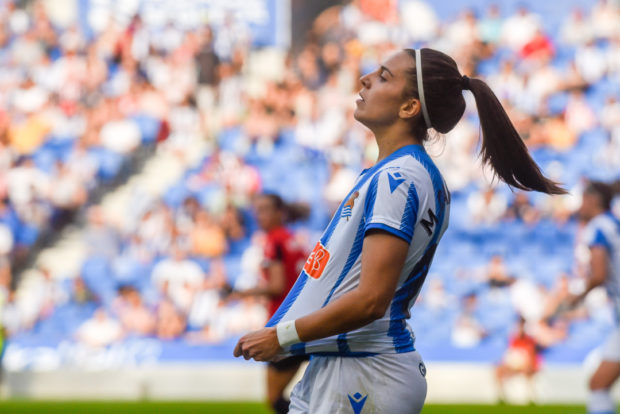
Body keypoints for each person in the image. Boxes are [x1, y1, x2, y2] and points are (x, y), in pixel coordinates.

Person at [234, 48, 564, 413]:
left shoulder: (399, 178)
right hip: (354, 366)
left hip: (365, 372)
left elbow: (372, 299)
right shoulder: (406, 173)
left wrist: (280, 336)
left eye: (384, 76)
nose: (365, 79)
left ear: (409, 107)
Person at [234, 193, 309, 414]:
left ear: (280, 213)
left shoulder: (274, 241)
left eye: (265, 209)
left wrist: (244, 292)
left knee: (274, 398)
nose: (260, 215)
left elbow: (277, 287)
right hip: (304, 320)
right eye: (257, 210)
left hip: (283, 325)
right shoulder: (292, 239)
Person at [567, 181, 620, 414]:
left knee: (598, 385)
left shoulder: (597, 227)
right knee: (598, 384)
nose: (579, 206)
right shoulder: (614, 223)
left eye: (582, 200)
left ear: (593, 200)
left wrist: (577, 296)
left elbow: (599, 275)